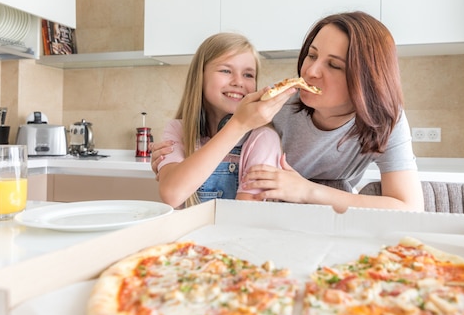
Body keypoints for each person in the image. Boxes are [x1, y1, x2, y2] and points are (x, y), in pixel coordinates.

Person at [152, 12, 424, 213]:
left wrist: (307, 190)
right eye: (312, 55)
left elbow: (409, 208)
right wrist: (179, 159)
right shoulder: (271, 110)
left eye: (335, 65)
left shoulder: (385, 120)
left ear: (366, 81)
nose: (310, 71)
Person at [156, 32, 285, 209]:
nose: (239, 82)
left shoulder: (263, 138)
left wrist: (241, 124)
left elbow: (245, 215)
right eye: (226, 70)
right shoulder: (178, 129)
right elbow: (172, 194)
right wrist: (238, 125)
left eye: (248, 75)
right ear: (200, 77)